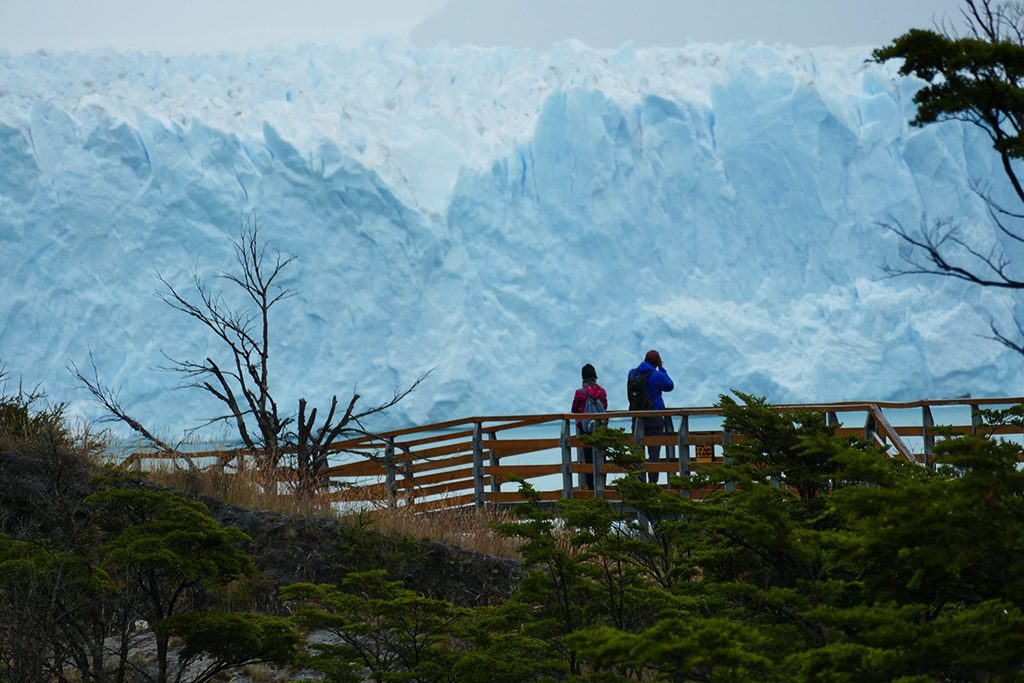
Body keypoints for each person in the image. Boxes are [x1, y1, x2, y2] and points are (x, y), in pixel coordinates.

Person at [627, 349, 674, 483]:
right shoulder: (657, 375)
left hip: (636, 418)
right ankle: (652, 486)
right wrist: (662, 369)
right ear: (657, 361)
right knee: (654, 453)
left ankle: (639, 485)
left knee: (637, 453)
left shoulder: (632, 373)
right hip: (654, 418)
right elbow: (669, 386)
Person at [571, 363, 608, 491]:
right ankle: (602, 486)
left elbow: (574, 410)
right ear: (595, 377)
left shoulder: (580, 393)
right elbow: (605, 407)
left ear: (583, 378)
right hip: (601, 429)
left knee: (588, 459)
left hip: (585, 430)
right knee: (602, 458)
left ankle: (591, 489)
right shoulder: (602, 391)